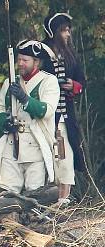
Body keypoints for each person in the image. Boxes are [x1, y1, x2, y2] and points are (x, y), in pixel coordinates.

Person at [0, 40, 59, 194]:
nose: (20, 63)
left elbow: (46, 110)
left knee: (35, 194)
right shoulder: (10, 82)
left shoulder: (48, 81)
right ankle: (9, 217)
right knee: (7, 193)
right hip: (11, 145)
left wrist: (24, 98)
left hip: (35, 145)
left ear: (36, 62)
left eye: (25, 60)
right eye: (19, 59)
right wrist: (5, 122)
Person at [42, 13, 86, 206]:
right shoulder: (41, 53)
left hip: (64, 117)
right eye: (63, 30)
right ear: (53, 32)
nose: (67, 34)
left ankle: (63, 199)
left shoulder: (70, 55)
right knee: (46, 158)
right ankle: (44, 199)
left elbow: (82, 82)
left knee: (65, 156)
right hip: (44, 116)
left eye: (68, 30)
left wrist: (72, 85)